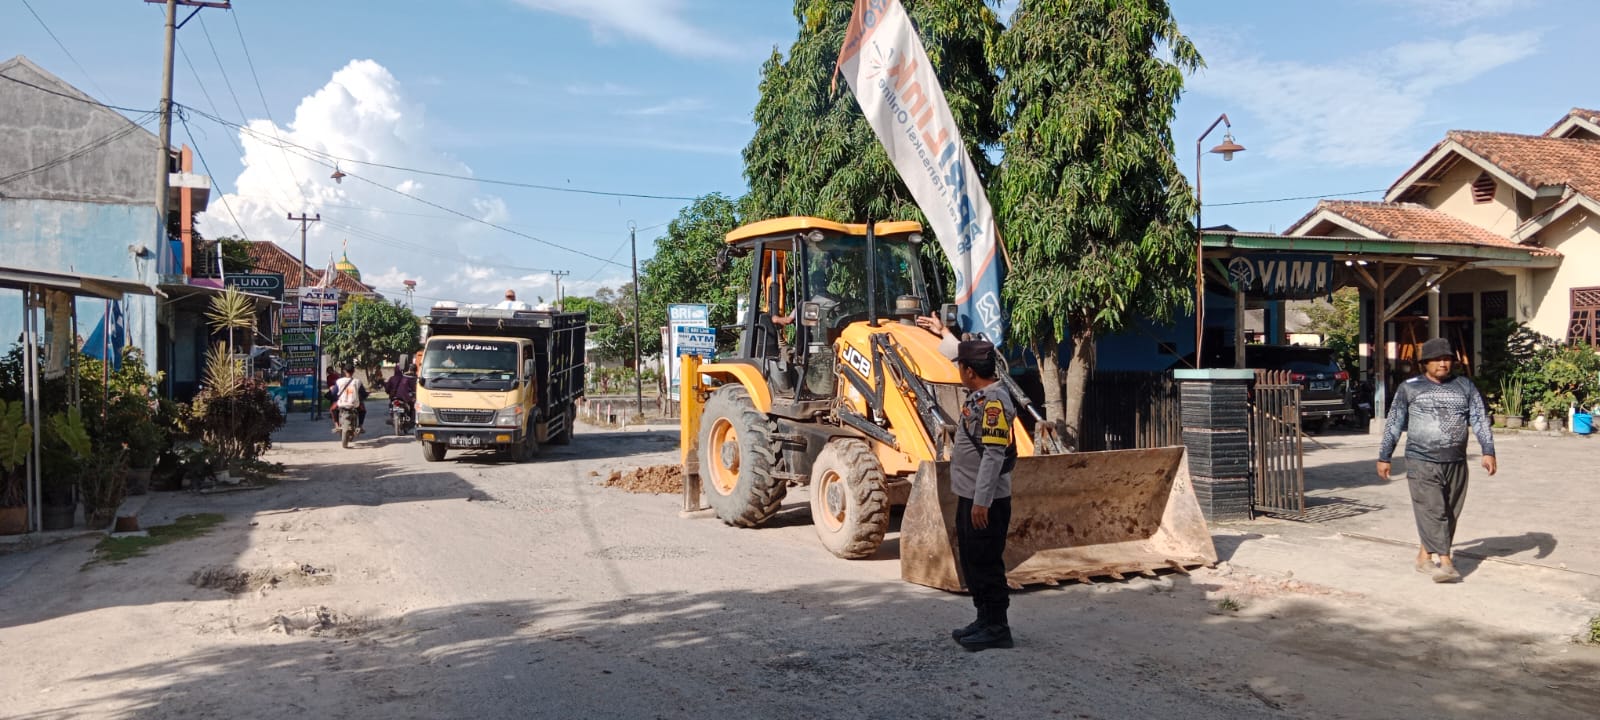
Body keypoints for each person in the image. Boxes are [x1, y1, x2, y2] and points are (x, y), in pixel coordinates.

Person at [1376, 337, 1498, 583]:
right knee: (1434, 510)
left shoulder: (1465, 386)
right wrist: (1384, 455)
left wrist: (1488, 450)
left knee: (1450, 511)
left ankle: (1424, 556)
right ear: (1425, 363)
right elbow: (1394, 423)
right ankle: (1446, 562)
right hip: (1421, 460)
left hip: (1455, 460)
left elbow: (1480, 418)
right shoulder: (1409, 388)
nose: (1443, 364)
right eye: (1437, 359)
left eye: (1447, 359)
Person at [932, 329, 1017, 650]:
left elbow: (994, 455)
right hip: (972, 497)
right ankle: (984, 618)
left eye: (960, 367)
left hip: (987, 502)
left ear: (969, 371)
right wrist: (939, 331)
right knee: (972, 561)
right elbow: (960, 352)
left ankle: (998, 627)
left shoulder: (994, 403)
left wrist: (981, 502)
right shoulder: (982, 392)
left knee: (986, 563)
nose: (958, 370)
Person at [331, 363, 369, 434]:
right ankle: (360, 426)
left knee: (332, 409)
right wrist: (365, 396)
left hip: (341, 403)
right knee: (363, 411)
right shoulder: (358, 382)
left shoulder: (339, 381)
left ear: (344, 371)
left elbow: (333, 393)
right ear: (353, 371)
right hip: (354, 404)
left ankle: (336, 425)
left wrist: (336, 397)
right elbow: (363, 394)